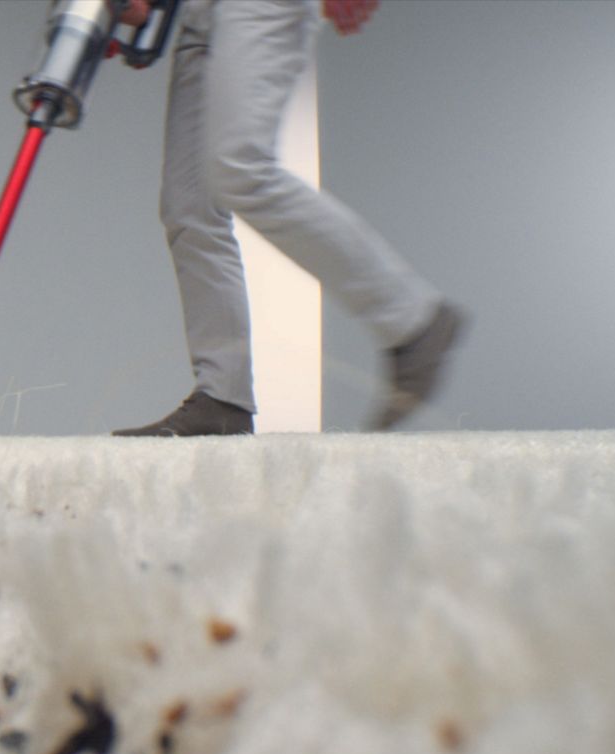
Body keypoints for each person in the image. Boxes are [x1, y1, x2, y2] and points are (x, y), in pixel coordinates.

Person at [112, 0, 465, 436]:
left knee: (241, 169)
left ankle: (413, 318)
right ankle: (223, 398)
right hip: (200, 14)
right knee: (189, 207)